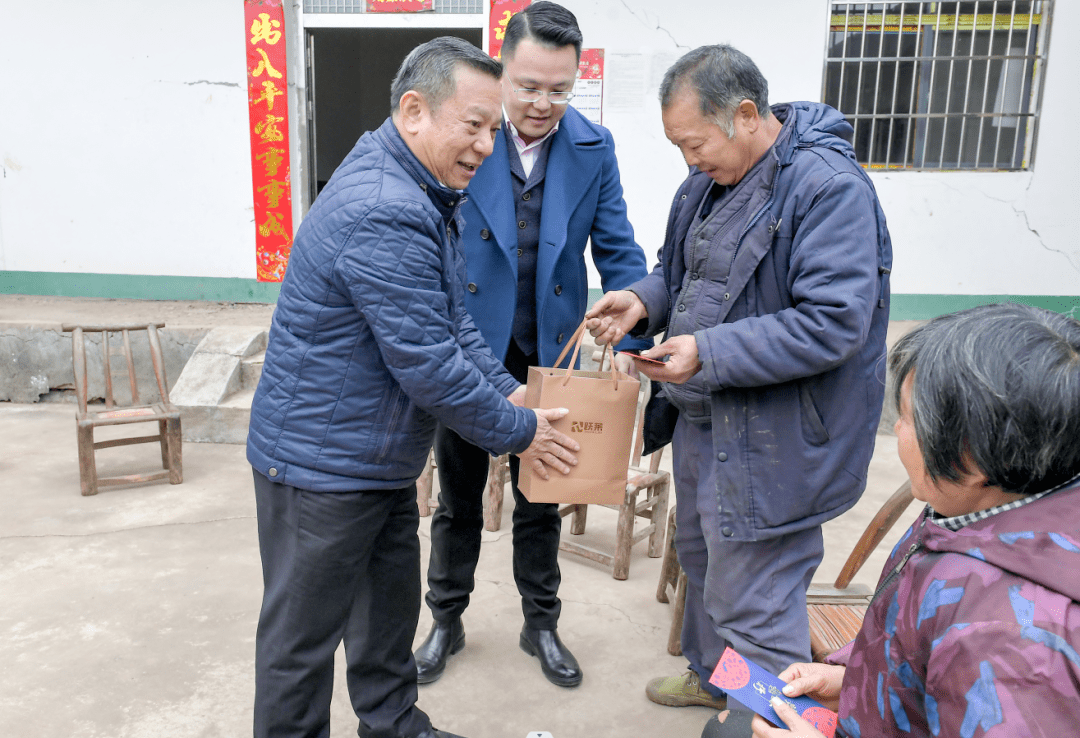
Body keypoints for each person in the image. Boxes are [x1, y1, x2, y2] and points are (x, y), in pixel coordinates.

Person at [247, 37, 580, 738]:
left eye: (495, 129)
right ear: (413, 110)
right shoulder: (385, 206)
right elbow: (426, 360)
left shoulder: (425, 192)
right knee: (302, 644)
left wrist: (507, 391)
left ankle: (395, 726)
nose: (488, 145)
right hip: (320, 467)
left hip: (373, 459)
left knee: (385, 615)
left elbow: (452, 321)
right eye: (475, 124)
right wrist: (520, 432)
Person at [585, 44, 893, 735]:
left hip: (776, 438)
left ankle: (766, 718)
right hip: (705, 421)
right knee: (702, 560)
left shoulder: (826, 188)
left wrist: (709, 350)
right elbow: (679, 270)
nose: (688, 160)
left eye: (694, 143)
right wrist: (640, 300)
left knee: (756, 589)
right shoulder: (706, 182)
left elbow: (833, 322)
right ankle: (714, 679)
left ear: (746, 116)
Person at [414, 1, 650, 690]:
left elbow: (617, 246)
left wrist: (634, 319)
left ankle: (540, 623)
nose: (542, 103)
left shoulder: (592, 147)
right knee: (455, 499)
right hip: (467, 351)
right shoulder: (461, 133)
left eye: (559, 89)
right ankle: (445, 619)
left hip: (550, 353)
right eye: (527, 86)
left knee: (544, 496)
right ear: (502, 68)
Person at [749, 302, 1080, 738]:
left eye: (906, 418)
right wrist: (855, 678)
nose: (899, 430)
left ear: (970, 456)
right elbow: (917, 636)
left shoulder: (1009, 644)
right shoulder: (969, 512)